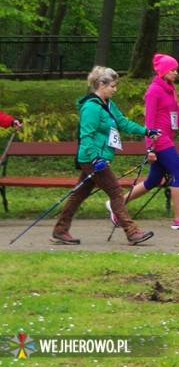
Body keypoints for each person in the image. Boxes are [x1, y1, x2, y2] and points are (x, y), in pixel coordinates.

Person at [51, 67, 158, 246]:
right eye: (112, 86)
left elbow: (123, 123)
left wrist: (146, 131)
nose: (115, 89)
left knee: (78, 195)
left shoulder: (108, 104)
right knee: (116, 193)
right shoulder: (91, 107)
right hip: (92, 158)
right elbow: (86, 136)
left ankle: (60, 231)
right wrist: (96, 158)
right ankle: (132, 232)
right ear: (101, 85)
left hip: (99, 158)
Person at [114, 54, 179, 231]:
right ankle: (178, 219)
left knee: (154, 179)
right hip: (160, 140)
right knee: (178, 172)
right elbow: (149, 123)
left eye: (176, 69)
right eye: (173, 70)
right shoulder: (153, 91)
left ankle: (116, 205)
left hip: (167, 138)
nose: (176, 73)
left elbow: (178, 115)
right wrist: (149, 148)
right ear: (163, 71)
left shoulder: (170, 88)